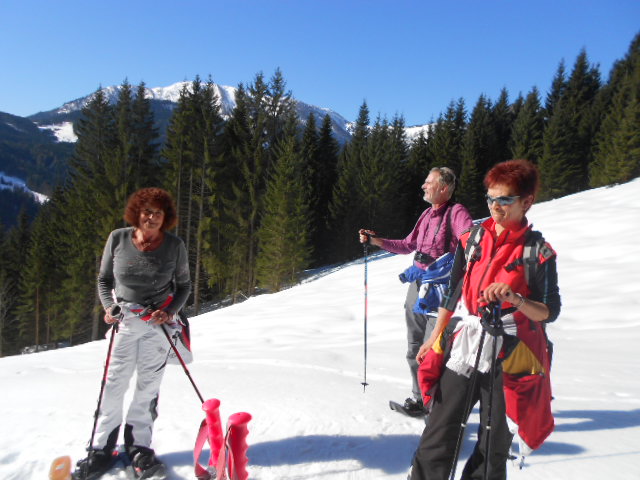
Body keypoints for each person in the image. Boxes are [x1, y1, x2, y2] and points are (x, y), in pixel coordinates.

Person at [409, 159, 561, 480]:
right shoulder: (473, 238)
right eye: (490, 198)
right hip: (471, 339)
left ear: (526, 201)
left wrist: (515, 299)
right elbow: (453, 291)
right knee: (441, 424)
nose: (495, 206)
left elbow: (549, 310)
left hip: (514, 349)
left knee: (494, 441)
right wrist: (436, 336)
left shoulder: (537, 250)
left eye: (505, 199)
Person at [74, 187, 191, 479]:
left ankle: (139, 448)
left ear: (166, 217)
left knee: (148, 387)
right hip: (125, 322)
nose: (151, 218)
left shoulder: (174, 246)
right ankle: (101, 449)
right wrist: (110, 306)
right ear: (136, 214)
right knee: (113, 384)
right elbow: (104, 280)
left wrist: (170, 311)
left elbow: (184, 286)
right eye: (146, 211)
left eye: (158, 213)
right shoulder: (118, 238)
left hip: (158, 325)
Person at [359, 167, 473, 416]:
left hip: (441, 291)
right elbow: (407, 245)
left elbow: (469, 238)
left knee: (433, 350)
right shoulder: (425, 215)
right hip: (417, 286)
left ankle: (437, 407)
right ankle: (419, 397)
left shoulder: (456, 212)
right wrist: (375, 241)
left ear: (444, 188)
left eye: (428, 182)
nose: (423, 186)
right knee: (414, 347)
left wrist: (467, 246)